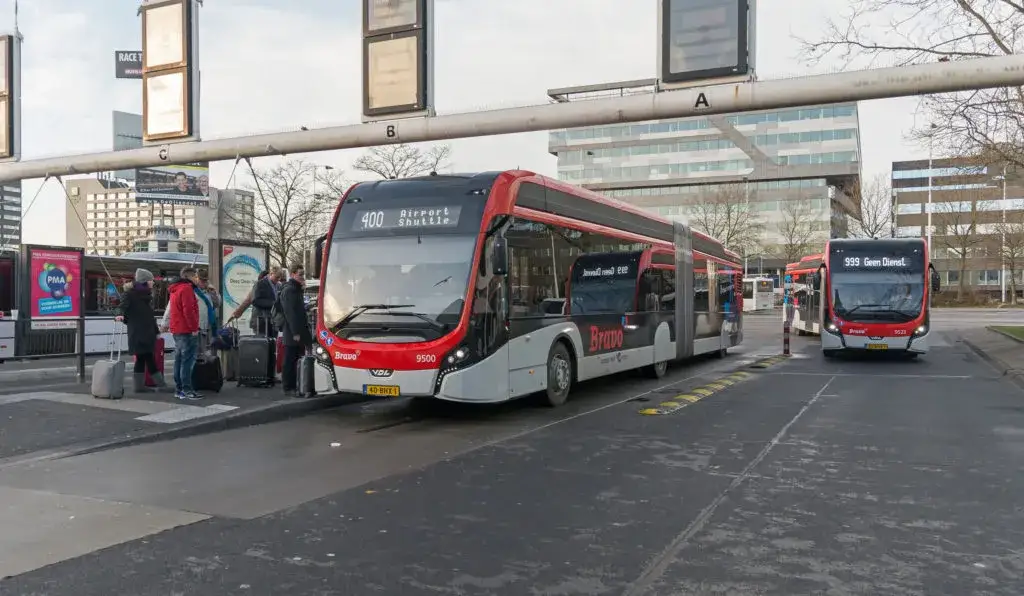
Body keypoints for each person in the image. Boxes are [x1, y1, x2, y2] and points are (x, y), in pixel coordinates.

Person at [116, 268, 169, 393]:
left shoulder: (146, 296)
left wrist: (156, 332)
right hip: (138, 333)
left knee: (142, 359)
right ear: (145, 281)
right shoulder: (130, 294)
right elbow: (121, 307)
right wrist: (119, 314)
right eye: (151, 280)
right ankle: (160, 385)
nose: (153, 283)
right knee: (148, 359)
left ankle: (140, 386)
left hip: (146, 333)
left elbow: (150, 317)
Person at [163, 267, 202, 400]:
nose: (197, 279)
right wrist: (194, 328)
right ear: (189, 277)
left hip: (177, 329)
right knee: (187, 360)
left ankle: (179, 389)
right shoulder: (186, 289)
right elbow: (189, 311)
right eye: (196, 276)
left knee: (179, 359)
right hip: (186, 330)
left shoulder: (175, 289)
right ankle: (187, 389)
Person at [278, 264, 313, 396]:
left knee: (296, 358)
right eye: (300, 274)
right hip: (293, 332)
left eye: (303, 274)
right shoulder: (290, 290)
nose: (302, 277)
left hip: (297, 330)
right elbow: (290, 313)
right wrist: (295, 332)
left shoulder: (295, 289)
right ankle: (288, 387)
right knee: (290, 359)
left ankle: (296, 385)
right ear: (292, 274)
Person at [229, 268, 285, 337]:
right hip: (261, 319)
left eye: (279, 277)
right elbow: (249, 301)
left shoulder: (278, 285)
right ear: (270, 274)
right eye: (277, 277)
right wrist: (236, 313)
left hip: (272, 320)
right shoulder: (259, 284)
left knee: (272, 341)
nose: (278, 279)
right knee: (262, 342)